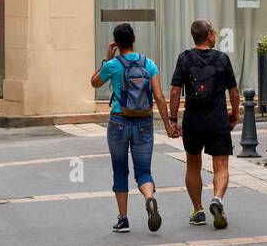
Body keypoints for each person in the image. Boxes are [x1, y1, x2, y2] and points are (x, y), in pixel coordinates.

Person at [91, 22, 176, 233]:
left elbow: (94, 83)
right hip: (145, 122)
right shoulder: (149, 64)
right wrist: (168, 124)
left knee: (120, 170)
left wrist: (107, 59)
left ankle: (123, 218)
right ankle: (149, 198)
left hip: (119, 121)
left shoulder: (113, 65)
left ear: (117, 43)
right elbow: (158, 96)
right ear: (134, 40)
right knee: (144, 171)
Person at [169, 19, 240, 230]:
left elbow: (174, 91)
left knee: (193, 165)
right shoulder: (222, 59)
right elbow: (234, 91)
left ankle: (198, 210)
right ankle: (217, 198)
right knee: (221, 165)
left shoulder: (184, 58)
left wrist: (173, 120)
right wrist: (234, 112)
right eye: (214, 32)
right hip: (217, 120)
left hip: (193, 121)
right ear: (209, 34)